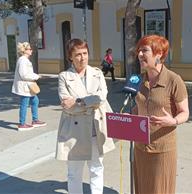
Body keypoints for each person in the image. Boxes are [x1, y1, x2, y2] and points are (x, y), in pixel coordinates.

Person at [55, 38, 115, 194]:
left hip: (96, 128)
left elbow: (101, 98)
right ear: (71, 57)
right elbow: (67, 106)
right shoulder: (64, 76)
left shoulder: (97, 73)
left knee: (96, 168)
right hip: (74, 133)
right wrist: (90, 102)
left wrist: (78, 101)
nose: (82, 58)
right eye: (78, 54)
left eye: (85, 53)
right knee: (74, 173)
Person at [133, 34, 190, 194]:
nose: (139, 55)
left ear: (159, 54)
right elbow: (137, 108)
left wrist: (173, 121)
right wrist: (126, 121)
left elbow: (184, 112)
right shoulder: (137, 80)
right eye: (139, 51)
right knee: (142, 189)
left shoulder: (174, 80)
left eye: (144, 50)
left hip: (162, 149)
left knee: (160, 190)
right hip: (140, 147)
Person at [11, 42, 47, 131]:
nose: (31, 50)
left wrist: (37, 75)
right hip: (24, 86)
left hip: (28, 86)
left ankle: (35, 120)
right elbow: (24, 75)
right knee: (24, 104)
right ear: (25, 50)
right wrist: (36, 76)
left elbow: (28, 73)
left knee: (35, 101)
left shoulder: (24, 60)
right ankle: (22, 124)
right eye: (30, 49)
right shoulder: (23, 60)